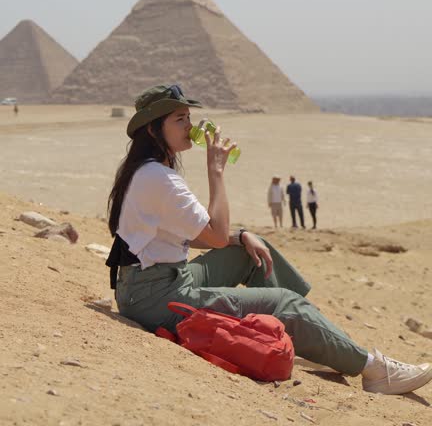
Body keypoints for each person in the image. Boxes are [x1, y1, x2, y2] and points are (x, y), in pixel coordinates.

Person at [106, 84, 432, 396]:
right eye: (180, 119)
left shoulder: (146, 170)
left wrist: (241, 236)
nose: (190, 126)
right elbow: (216, 235)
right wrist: (216, 170)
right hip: (157, 300)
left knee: (249, 248)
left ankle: (307, 332)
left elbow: (197, 234)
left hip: (150, 285)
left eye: (189, 117)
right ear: (152, 129)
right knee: (282, 303)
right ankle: (374, 372)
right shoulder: (160, 179)